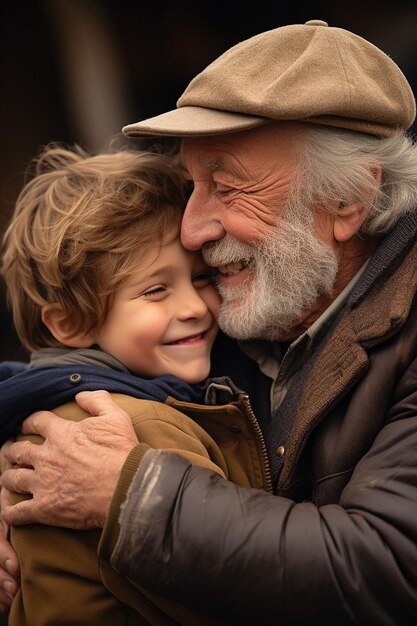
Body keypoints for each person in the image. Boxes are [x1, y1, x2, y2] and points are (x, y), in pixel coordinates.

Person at [2, 18, 417, 625]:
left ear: (347, 201)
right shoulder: (237, 313)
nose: (192, 230)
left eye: (226, 186)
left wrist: (131, 494)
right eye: (192, 183)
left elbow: (388, 568)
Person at [0, 144, 271, 625]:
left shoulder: (44, 412)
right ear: (70, 324)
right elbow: (242, 589)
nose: (194, 307)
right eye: (155, 290)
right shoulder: (131, 428)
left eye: (202, 277)